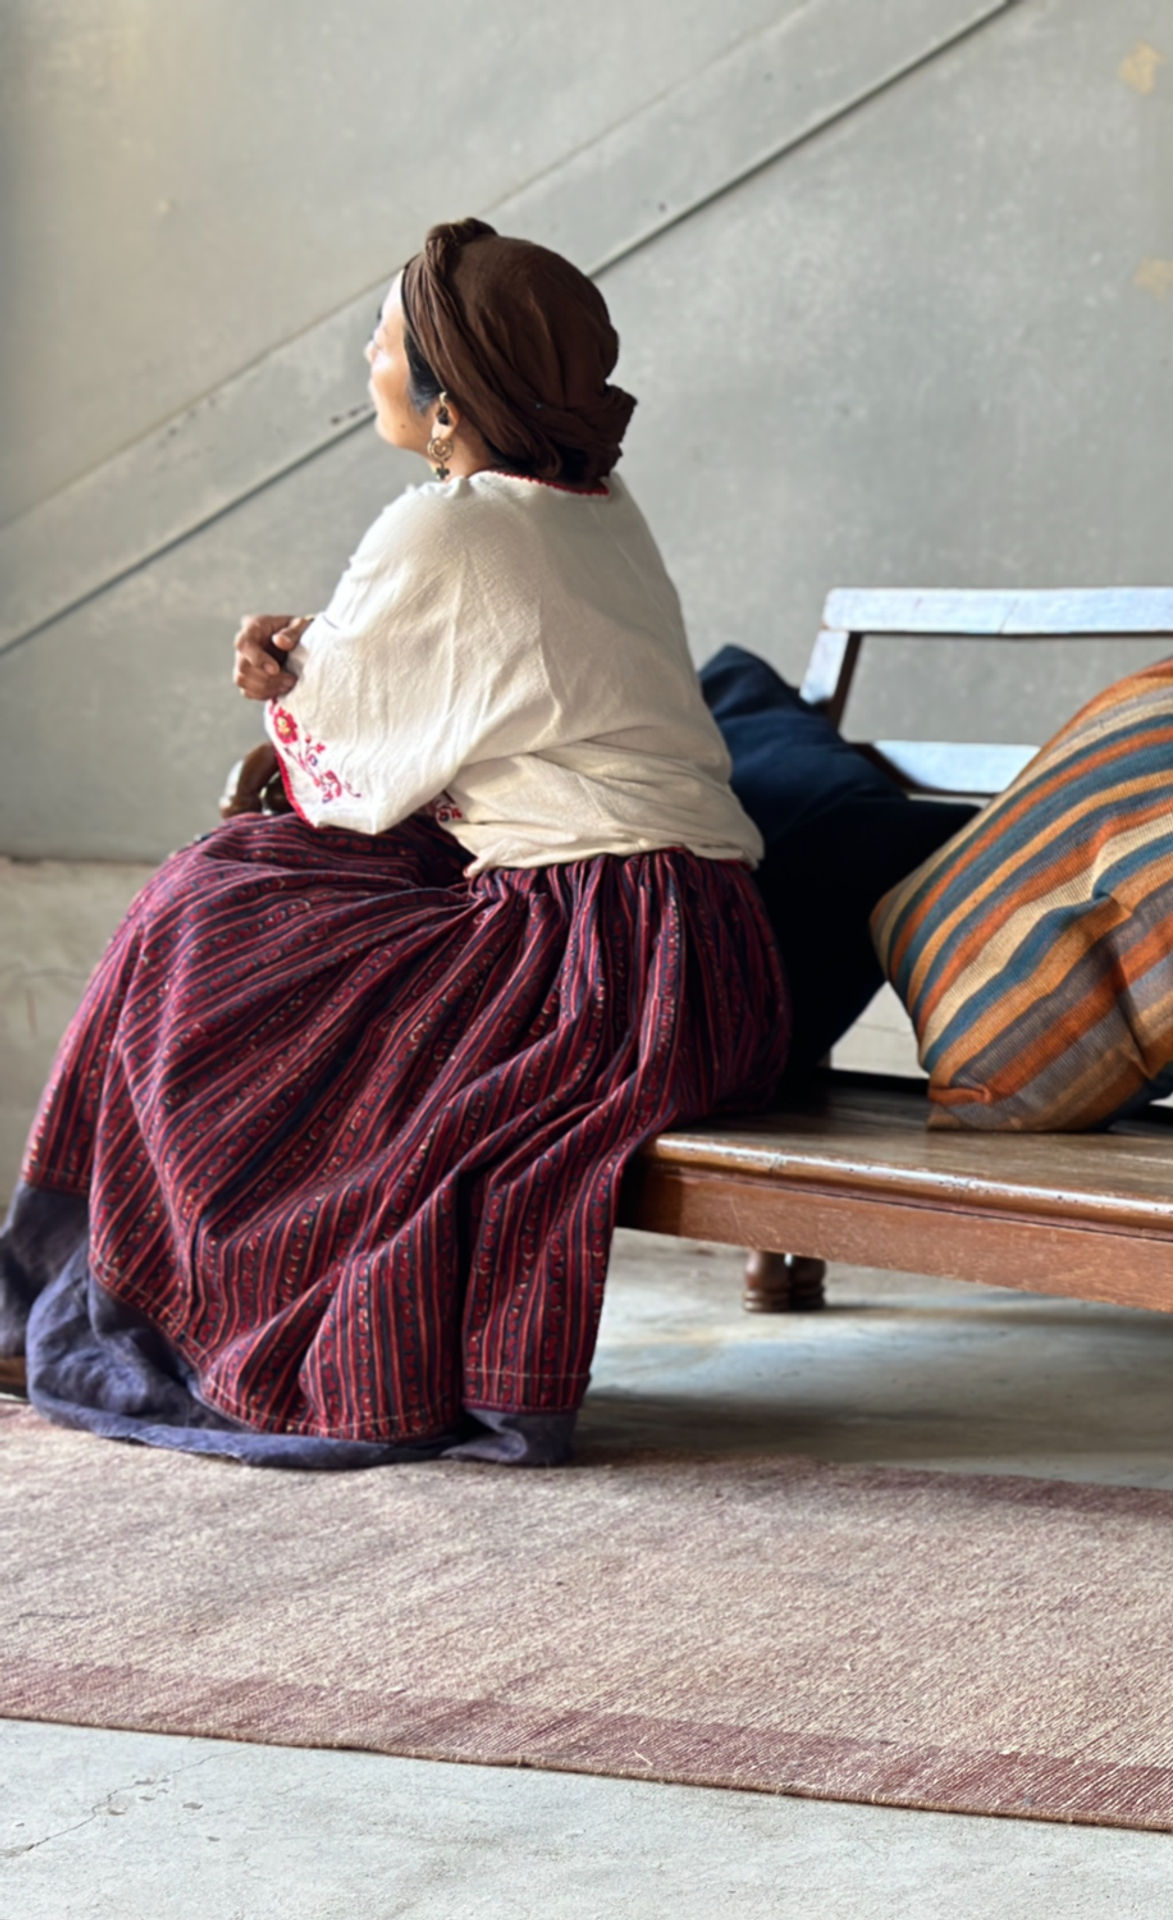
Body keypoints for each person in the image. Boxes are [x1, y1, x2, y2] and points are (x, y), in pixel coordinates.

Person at [0, 220, 788, 1466]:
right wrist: (319, 665)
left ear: (443, 400)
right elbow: (474, 688)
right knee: (252, 900)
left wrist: (285, 679)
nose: (364, 358)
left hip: (591, 957)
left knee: (216, 895)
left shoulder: (445, 529)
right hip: (708, 957)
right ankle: (119, 1261)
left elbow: (340, 778)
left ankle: (144, 1279)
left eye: (382, 340)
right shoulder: (592, 504)